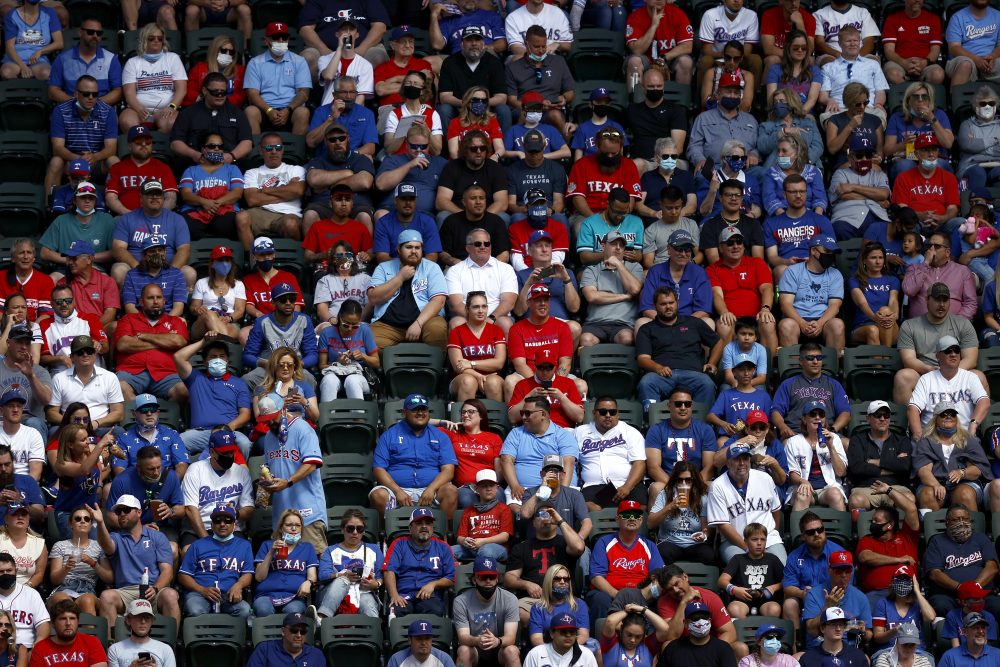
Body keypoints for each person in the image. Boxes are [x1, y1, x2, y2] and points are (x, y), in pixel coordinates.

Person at [91, 495, 179, 635]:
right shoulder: (116, 537)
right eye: (118, 512)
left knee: (170, 594)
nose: (121, 514)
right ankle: (112, 646)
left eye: (126, 510)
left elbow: (167, 571)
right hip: (126, 591)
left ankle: (171, 646)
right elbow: (106, 544)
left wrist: (156, 588)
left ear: (139, 512)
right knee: (106, 597)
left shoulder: (157, 536)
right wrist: (101, 523)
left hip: (152, 589)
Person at [254, 393, 326, 554]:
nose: (270, 422)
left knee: (314, 567)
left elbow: (312, 463)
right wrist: (265, 487)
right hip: (281, 518)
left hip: (308, 514)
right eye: (266, 419)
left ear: (283, 410)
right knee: (285, 571)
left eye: (273, 417)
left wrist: (288, 482)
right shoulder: (268, 437)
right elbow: (268, 469)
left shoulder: (302, 428)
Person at [370, 393, 458, 518]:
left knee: (451, 491)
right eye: (415, 410)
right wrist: (398, 491)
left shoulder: (440, 436)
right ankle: (386, 535)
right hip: (397, 489)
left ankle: (444, 535)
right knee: (378, 495)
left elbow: (448, 471)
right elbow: (378, 469)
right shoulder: (389, 435)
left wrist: (431, 489)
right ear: (404, 413)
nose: (420, 413)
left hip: (431, 489)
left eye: (423, 409)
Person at [636, 287, 723, 406]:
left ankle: (702, 424)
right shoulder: (647, 329)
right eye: (663, 304)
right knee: (646, 383)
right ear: (655, 306)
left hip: (693, 374)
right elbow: (642, 359)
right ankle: (652, 423)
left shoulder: (693, 322)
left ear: (677, 303)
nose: (668, 307)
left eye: (671, 303)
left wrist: (712, 363)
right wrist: (658, 368)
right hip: (660, 376)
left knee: (707, 383)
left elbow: (718, 342)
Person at [587, 501, 664, 627]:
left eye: (636, 516)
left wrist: (642, 595)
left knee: (661, 598)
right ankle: (601, 641)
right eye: (627, 515)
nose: (632, 519)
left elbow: (659, 577)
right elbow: (596, 577)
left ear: (641, 520)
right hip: (611, 594)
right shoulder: (604, 542)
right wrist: (620, 596)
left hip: (641, 594)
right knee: (599, 599)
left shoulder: (649, 545)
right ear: (617, 519)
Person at [368, 230, 448, 350]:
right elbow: (373, 298)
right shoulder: (383, 268)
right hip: (388, 325)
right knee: (371, 340)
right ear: (399, 249)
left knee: (437, 329)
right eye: (409, 247)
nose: (414, 251)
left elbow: (439, 301)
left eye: (417, 247)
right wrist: (400, 277)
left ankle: (434, 368)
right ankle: (391, 368)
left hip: (425, 321)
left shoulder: (432, 268)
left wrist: (418, 323)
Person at [111, 179, 194, 289]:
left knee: (189, 273)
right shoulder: (127, 218)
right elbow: (118, 249)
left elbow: (184, 250)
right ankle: (127, 304)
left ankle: (179, 305)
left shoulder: (177, 219)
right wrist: (137, 267)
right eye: (150, 194)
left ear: (163, 198)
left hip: (167, 268)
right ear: (141, 198)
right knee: (118, 270)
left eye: (158, 194)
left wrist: (170, 272)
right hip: (137, 269)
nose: (155, 197)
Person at [500, 398, 579, 511]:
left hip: (556, 487)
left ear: (543, 414)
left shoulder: (563, 435)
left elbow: (568, 463)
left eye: (527, 413)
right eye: (522, 413)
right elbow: (506, 460)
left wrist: (562, 491)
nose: (523, 417)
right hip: (523, 489)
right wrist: (515, 486)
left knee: (555, 512)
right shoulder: (516, 433)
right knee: (516, 510)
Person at [506, 508, 584, 622]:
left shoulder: (566, 543)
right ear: (533, 522)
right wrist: (526, 584)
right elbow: (509, 578)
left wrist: (560, 521)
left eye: (550, 514)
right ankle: (548, 631)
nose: (546, 518)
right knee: (518, 611)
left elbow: (579, 547)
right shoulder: (522, 547)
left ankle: (550, 629)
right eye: (540, 514)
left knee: (579, 609)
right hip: (534, 600)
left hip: (564, 598)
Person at [180, 428, 253, 551]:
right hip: (201, 527)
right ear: (212, 452)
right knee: (188, 551)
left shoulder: (241, 472)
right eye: (224, 453)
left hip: (231, 528)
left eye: (231, 452)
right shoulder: (196, 470)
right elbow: (190, 509)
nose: (229, 456)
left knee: (241, 552)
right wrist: (206, 541)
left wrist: (237, 513)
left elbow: (249, 509)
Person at [46, 75, 117, 197]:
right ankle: (50, 206)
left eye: (94, 94)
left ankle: (112, 203)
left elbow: (111, 148)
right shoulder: (61, 111)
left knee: (114, 161)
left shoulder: (108, 112)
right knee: (56, 162)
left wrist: (94, 157)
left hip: (96, 161)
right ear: (76, 94)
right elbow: (57, 148)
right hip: (71, 160)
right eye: (86, 94)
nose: (91, 98)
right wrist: (78, 158)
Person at [913, 402, 992, 512]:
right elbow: (924, 470)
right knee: (928, 494)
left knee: (964, 493)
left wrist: (962, 473)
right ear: (936, 420)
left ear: (956, 418)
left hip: (965, 483)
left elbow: (977, 469)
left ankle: (971, 529)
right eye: (943, 414)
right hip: (934, 483)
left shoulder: (967, 439)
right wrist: (936, 485)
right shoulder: (926, 441)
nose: (948, 416)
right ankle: (932, 528)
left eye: (952, 414)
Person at [177, 504, 252, 618]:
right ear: (212, 525)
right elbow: (183, 576)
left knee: (244, 610)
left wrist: (239, 585)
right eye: (217, 521)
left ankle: (227, 636)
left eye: (227, 520)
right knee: (195, 609)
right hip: (200, 594)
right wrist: (202, 590)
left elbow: (248, 573)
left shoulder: (244, 545)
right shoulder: (198, 545)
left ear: (234, 525)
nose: (222, 524)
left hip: (229, 595)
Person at [241, 283, 318, 392]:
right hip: (267, 368)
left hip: (295, 368)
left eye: (291, 299)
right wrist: (268, 364)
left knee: (309, 378)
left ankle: (304, 408)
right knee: (246, 380)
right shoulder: (262, 322)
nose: (288, 303)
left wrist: (296, 364)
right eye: (282, 300)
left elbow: (313, 354)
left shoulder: (304, 320)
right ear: (273, 302)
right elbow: (248, 355)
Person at [574, 398, 646, 510]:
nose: (608, 415)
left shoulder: (630, 432)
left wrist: (627, 487)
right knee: (587, 507)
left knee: (640, 508)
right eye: (603, 412)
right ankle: (607, 526)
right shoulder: (579, 432)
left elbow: (639, 463)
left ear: (618, 414)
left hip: (627, 484)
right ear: (594, 413)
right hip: (593, 485)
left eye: (612, 412)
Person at [436, 26, 510, 134]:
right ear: (462, 44)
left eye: (478, 39)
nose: (474, 43)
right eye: (469, 40)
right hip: (459, 108)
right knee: (444, 109)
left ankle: (503, 149)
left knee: (504, 110)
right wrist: (467, 103)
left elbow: (502, 97)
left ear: (483, 44)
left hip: (487, 108)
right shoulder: (450, 62)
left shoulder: (494, 62)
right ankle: (448, 149)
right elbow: (444, 97)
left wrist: (481, 104)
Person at [383, 507, 456, 616]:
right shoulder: (399, 544)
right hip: (403, 595)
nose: (424, 526)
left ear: (432, 527)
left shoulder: (443, 547)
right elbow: (389, 570)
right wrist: (394, 595)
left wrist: (433, 584)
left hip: (430, 596)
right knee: (395, 611)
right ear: (410, 528)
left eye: (428, 523)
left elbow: (451, 578)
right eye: (419, 523)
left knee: (436, 610)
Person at [908, 338, 989, 436]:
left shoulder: (970, 377)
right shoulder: (926, 379)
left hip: (963, 436)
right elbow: (913, 409)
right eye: (948, 351)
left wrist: (973, 425)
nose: (953, 354)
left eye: (956, 350)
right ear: (938, 356)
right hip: (932, 438)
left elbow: (984, 401)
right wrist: (919, 436)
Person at [169, 73, 252, 168]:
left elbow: (247, 142)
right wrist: (194, 155)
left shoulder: (237, 113)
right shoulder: (188, 113)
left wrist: (231, 156)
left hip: (230, 163)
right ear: (204, 91)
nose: (220, 95)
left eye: (223, 92)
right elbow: (175, 143)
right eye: (215, 92)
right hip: (195, 163)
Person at [565, 128, 642, 230]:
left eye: (614, 153)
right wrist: (596, 220)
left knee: (634, 226)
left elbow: (630, 200)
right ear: (597, 146)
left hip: (618, 215)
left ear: (621, 148)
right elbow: (577, 199)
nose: (610, 156)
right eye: (606, 153)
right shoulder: (582, 164)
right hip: (585, 215)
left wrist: (616, 218)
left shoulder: (629, 166)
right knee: (581, 228)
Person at [243, 22, 312, 136]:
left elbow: (304, 93)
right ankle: (255, 152)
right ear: (266, 41)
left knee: (303, 112)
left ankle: (297, 152)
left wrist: (288, 110)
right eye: (275, 37)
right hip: (264, 109)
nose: (281, 41)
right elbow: (252, 94)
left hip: (291, 109)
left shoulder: (299, 61)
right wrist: (269, 111)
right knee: (250, 111)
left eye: (284, 37)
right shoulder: (255, 63)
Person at [46, 334, 123, 434]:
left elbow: (118, 413)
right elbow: (51, 413)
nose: (85, 355)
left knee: (119, 431)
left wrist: (97, 423)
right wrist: (71, 424)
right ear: (72, 357)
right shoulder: (59, 378)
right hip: (70, 430)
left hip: (100, 427)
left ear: (95, 354)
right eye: (80, 352)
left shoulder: (110, 377)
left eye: (89, 351)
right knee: (53, 431)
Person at [770, 342, 851, 437]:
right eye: (810, 358)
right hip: (796, 434)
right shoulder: (788, 384)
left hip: (826, 433)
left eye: (819, 358)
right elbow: (776, 411)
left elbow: (845, 412)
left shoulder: (834, 384)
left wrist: (833, 429)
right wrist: (783, 427)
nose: (815, 361)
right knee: (786, 446)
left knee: (848, 445)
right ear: (801, 361)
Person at [453, 554, 520, 667]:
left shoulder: (509, 599)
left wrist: (497, 641)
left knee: (512, 651)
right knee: (463, 651)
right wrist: (478, 641)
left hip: (500, 649)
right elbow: (463, 637)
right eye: (483, 577)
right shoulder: (461, 601)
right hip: (475, 649)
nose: (488, 581)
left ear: (497, 578)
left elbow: (511, 637)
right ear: (474, 579)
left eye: (492, 577)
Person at [238, 135, 304, 250]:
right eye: (269, 148)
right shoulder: (252, 172)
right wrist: (287, 190)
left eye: (277, 147)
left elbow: (298, 191)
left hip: (288, 214)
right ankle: (252, 260)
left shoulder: (296, 169)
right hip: (260, 212)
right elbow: (252, 200)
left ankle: (292, 258)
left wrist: (265, 190)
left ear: (282, 150)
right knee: (241, 217)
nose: (274, 151)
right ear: (261, 151)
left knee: (291, 224)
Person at [847, 401, 916, 511]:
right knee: (856, 501)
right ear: (868, 418)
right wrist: (890, 467)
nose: (883, 419)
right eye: (878, 415)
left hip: (895, 487)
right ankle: (860, 528)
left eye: (886, 415)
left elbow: (905, 466)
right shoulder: (857, 440)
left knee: (909, 499)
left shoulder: (902, 440)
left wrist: (876, 462)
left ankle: (902, 529)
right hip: (867, 488)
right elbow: (857, 468)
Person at [119, 25, 186, 134]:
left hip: (166, 108)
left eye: (160, 39)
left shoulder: (173, 58)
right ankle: (138, 149)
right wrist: (139, 109)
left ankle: (160, 149)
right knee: (126, 121)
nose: (156, 41)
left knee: (172, 123)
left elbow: (181, 90)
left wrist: (172, 107)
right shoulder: (133, 62)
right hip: (138, 109)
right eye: (151, 38)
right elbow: (129, 94)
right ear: (144, 39)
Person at [445, 230, 517, 333]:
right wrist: (475, 320)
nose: (483, 247)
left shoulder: (506, 269)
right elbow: (455, 304)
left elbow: (509, 302)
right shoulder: (454, 271)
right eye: (478, 244)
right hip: (467, 318)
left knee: (505, 323)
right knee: (456, 323)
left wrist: (491, 319)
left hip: (496, 318)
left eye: (486, 244)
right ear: (467, 248)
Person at [316, 508, 382, 619]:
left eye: (359, 529)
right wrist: (342, 575)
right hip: (334, 593)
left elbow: (381, 576)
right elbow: (323, 575)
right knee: (342, 581)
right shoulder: (330, 550)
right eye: (350, 528)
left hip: (363, 591)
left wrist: (375, 584)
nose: (355, 532)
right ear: (342, 529)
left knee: (367, 603)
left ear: (364, 531)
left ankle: (372, 633)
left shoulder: (374, 549)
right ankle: (321, 619)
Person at [251, 508, 318, 617]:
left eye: (297, 525)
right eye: (289, 525)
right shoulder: (267, 545)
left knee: (293, 612)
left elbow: (312, 576)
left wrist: (309, 582)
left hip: (294, 597)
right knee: (263, 609)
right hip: (266, 596)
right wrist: (271, 552)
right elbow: (259, 577)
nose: (293, 528)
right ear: (281, 528)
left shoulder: (307, 548)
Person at [436, 132, 510, 228]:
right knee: (442, 216)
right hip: (459, 215)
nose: (479, 152)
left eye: (482, 148)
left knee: (503, 217)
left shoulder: (495, 168)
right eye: (474, 149)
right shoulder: (452, 167)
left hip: (487, 215)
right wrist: (466, 216)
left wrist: (482, 217)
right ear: (465, 150)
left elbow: (502, 203)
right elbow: (441, 201)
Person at [784, 401, 849, 511]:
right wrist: (803, 481)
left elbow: (841, 472)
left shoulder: (834, 438)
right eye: (813, 414)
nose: (817, 417)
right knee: (802, 495)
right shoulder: (793, 442)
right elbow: (792, 473)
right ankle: (798, 528)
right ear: (804, 419)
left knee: (836, 495)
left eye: (821, 415)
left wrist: (830, 446)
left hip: (828, 488)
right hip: (803, 485)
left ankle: (840, 528)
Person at [687, 76, 760, 173]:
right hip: (716, 168)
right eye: (729, 92)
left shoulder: (750, 120)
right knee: (702, 177)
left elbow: (758, 146)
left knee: (762, 174)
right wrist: (700, 159)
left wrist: (754, 154)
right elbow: (694, 146)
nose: (733, 96)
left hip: (745, 168)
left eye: (736, 93)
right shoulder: (704, 118)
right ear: (718, 94)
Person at [892, 135, 962, 234]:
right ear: (916, 154)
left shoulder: (949, 177)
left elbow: (952, 208)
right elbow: (901, 208)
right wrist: (919, 216)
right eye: (926, 150)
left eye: (934, 150)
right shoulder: (903, 178)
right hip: (915, 223)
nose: (931, 154)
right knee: (905, 226)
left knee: (961, 223)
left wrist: (941, 218)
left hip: (942, 224)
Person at [802, 552, 873, 647]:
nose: (843, 575)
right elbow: (811, 630)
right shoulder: (814, 594)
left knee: (866, 660)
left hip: (849, 649)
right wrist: (828, 606)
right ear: (829, 570)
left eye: (847, 571)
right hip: (819, 647)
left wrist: (863, 632)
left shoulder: (861, 597)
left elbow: (869, 635)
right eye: (838, 571)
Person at [517, 454, 592, 543]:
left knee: (584, 553)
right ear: (541, 474)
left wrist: (578, 541)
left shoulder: (574, 494)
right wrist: (541, 490)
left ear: (563, 475)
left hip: (565, 544)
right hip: (537, 544)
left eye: (556, 470)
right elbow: (525, 514)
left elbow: (587, 523)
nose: (552, 474)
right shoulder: (531, 492)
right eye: (548, 470)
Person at [647, 461, 713, 563]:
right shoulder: (665, 494)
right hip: (670, 543)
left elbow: (705, 528)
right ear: (674, 480)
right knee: (662, 552)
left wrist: (704, 535)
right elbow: (650, 524)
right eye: (679, 480)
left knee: (709, 554)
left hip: (694, 544)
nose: (683, 484)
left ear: (694, 480)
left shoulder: (702, 496)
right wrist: (670, 506)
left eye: (688, 480)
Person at [374, 136, 447, 227]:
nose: (419, 150)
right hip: (392, 210)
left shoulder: (440, 163)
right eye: (414, 146)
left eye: (423, 146)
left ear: (429, 145)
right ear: (407, 145)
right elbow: (381, 185)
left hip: (425, 215)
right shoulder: (393, 159)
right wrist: (409, 165)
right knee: (381, 215)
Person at [447, 293, 507, 403]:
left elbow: (499, 363)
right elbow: (458, 366)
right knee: (468, 381)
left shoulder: (496, 330)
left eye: (484, 306)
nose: (481, 310)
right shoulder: (457, 332)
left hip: (493, 376)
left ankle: (495, 420)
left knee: (493, 383)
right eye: (476, 307)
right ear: (467, 309)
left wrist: (471, 363)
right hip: (462, 377)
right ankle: (464, 419)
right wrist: (478, 375)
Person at [444, 400, 503, 509]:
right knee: (466, 500)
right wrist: (443, 422)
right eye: (463, 412)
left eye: (470, 411)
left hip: (488, 484)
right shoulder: (454, 435)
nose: (466, 415)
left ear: (481, 416)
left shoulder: (493, 438)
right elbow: (424, 424)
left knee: (498, 497)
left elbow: (498, 469)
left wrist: (492, 486)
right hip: (465, 487)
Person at [718, 521, 784, 619]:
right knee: (734, 609)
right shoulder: (738, 559)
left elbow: (787, 580)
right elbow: (721, 581)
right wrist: (734, 589)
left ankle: (765, 632)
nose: (759, 543)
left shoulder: (772, 559)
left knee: (774, 609)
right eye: (754, 539)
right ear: (745, 541)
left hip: (766, 600)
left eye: (763, 539)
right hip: (741, 599)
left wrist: (773, 588)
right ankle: (747, 633)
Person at [47, 17, 120, 104]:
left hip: (101, 110)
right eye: (90, 32)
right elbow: (53, 90)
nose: (95, 36)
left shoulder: (111, 59)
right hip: (71, 109)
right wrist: (76, 104)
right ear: (80, 33)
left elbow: (118, 91)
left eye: (99, 33)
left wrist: (95, 104)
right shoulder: (62, 59)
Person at [113, 394, 188, 478]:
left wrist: (170, 484)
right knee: (108, 488)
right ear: (134, 414)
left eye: (153, 410)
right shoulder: (123, 438)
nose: (149, 413)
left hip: (165, 482)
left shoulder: (172, 434)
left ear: (158, 412)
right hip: (135, 483)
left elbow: (181, 464)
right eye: (144, 410)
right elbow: (119, 468)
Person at [624, 0, 695, 86]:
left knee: (686, 62)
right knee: (634, 62)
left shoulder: (678, 14)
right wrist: (653, 26)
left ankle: (681, 98)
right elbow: (636, 50)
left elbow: (687, 46)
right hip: (646, 60)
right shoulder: (635, 17)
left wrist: (663, 59)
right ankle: (635, 98)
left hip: (668, 59)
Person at [700, 179, 766, 264]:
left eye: (737, 195)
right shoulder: (709, 226)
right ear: (721, 198)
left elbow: (758, 261)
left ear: (742, 198)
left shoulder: (753, 224)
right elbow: (714, 262)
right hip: (722, 274)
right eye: (728, 195)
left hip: (749, 273)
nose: (733, 198)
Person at [452, 470, 512, 562]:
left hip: (496, 547)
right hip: (471, 547)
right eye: (484, 486)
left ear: (497, 488)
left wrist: (483, 542)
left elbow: (504, 537)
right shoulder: (469, 511)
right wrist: (465, 541)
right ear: (476, 489)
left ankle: (480, 575)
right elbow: (460, 537)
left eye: (491, 485)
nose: (488, 489)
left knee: (485, 551)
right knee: (448, 551)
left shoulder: (504, 509)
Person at [28, 599, 106, 667]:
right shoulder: (40, 648)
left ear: (78, 622)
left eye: (72, 618)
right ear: (53, 623)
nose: (68, 623)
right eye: (63, 619)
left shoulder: (92, 642)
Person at [120, 238, 186, 317]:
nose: (157, 254)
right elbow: (129, 308)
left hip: (168, 319)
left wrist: (163, 323)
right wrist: (147, 324)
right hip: (140, 320)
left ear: (165, 252)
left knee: (182, 321)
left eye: (160, 250)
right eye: (152, 251)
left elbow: (178, 307)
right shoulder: (132, 275)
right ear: (144, 255)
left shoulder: (176, 274)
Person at [251, 349, 319, 424]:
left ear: (294, 367)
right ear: (274, 367)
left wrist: (304, 401)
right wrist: (279, 405)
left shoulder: (304, 387)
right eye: (281, 365)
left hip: (299, 427)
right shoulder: (261, 389)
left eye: (289, 365)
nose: (286, 368)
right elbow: (259, 419)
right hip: (273, 429)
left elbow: (315, 417)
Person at [945, 0, 1000, 88]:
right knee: (965, 65)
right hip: (964, 59)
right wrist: (976, 60)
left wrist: (992, 57)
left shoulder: (998, 16)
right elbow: (954, 48)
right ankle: (956, 100)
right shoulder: (957, 17)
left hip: (991, 60)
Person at [180, 35, 245, 108]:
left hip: (229, 109)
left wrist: (222, 101)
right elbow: (189, 92)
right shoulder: (198, 68)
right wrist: (204, 99)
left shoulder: (240, 70)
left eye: (231, 52)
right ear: (215, 51)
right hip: (203, 107)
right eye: (223, 51)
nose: (227, 54)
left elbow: (242, 95)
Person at [105, 599, 175, 667]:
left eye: (147, 618)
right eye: (138, 617)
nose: (143, 622)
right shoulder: (115, 649)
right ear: (128, 620)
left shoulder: (165, 649)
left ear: (152, 621)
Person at [957, 86, 1000, 191]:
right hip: (971, 165)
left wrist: (977, 145)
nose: (987, 106)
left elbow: (973, 147)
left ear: (996, 106)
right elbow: (967, 146)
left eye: (991, 103)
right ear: (975, 106)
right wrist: (995, 140)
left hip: (997, 163)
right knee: (978, 173)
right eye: (983, 104)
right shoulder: (966, 125)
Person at [245, 612, 323, 667]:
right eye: (294, 630)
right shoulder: (264, 650)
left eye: (303, 631)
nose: (299, 635)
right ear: (283, 631)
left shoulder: (316, 655)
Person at [798, 608, 869, 667]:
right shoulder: (808, 658)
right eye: (833, 624)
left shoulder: (857, 656)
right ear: (822, 628)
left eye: (841, 624)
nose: (838, 629)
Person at [506, 0, 573, 60]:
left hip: (553, 60)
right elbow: (515, 47)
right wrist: (536, 56)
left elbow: (568, 45)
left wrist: (557, 44)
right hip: (527, 61)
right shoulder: (513, 18)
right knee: (516, 58)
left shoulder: (558, 13)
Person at [523, 614, 598, 667]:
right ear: (552, 633)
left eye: (572, 632)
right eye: (563, 632)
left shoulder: (586, 654)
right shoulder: (535, 654)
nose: (568, 635)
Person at [386, 619, 457, 667]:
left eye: (427, 638)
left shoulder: (444, 659)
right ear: (409, 640)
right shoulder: (397, 659)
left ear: (431, 640)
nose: (423, 642)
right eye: (419, 638)